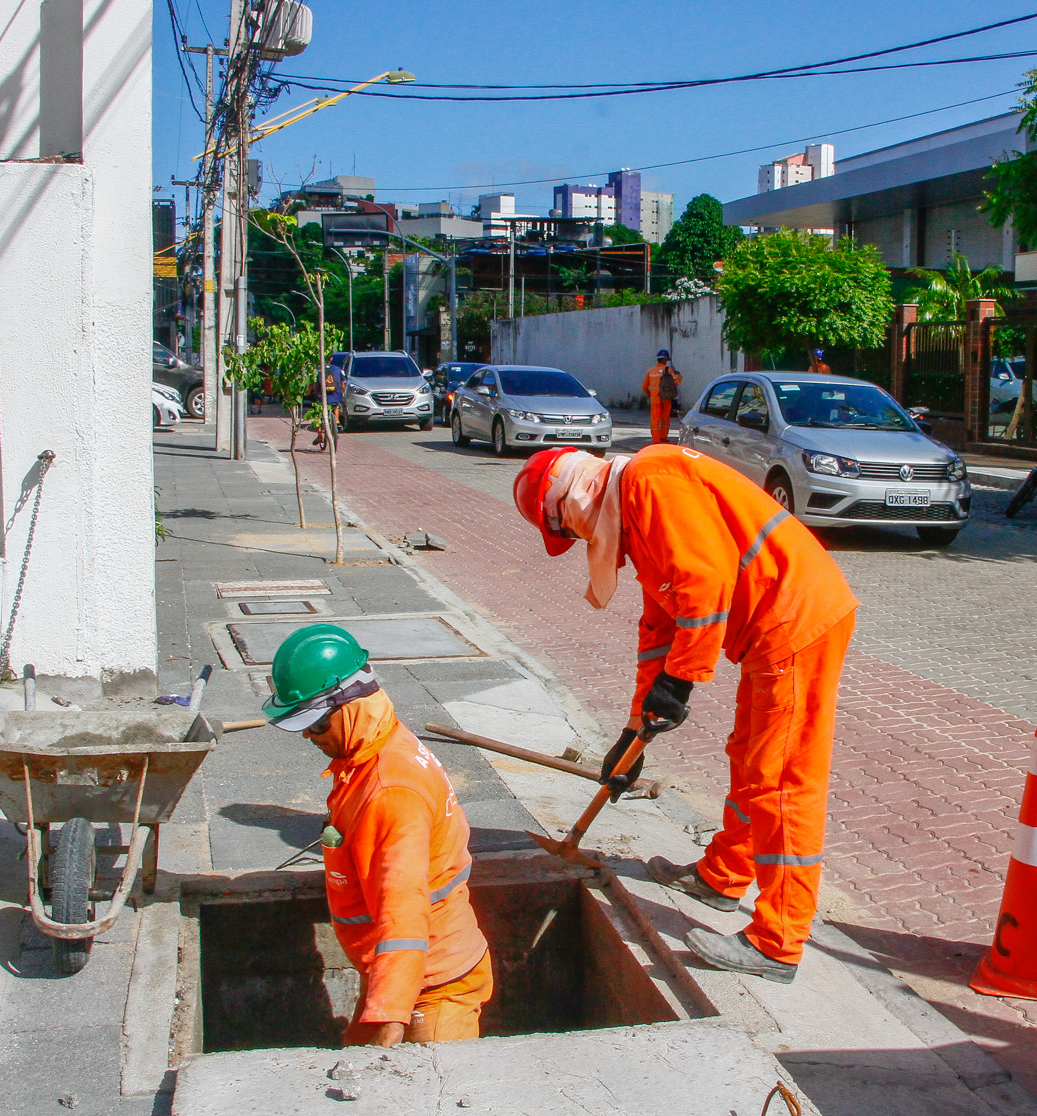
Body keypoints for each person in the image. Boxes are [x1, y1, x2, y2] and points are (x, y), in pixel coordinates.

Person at [511, 445, 859, 983]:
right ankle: (722, 877)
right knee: (748, 757)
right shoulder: (634, 509)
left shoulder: (649, 483)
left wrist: (682, 681)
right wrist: (632, 735)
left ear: (570, 501)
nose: (579, 539)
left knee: (782, 780)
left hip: (795, 620)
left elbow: (704, 582)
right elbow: (659, 627)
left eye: (567, 529)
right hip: (773, 625)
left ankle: (778, 941)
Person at [261, 624, 492, 1045]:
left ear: (348, 706)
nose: (310, 739)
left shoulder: (391, 793)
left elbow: (403, 915)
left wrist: (388, 1025)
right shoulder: (376, 743)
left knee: (430, 1092)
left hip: (431, 985)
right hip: (397, 974)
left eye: (314, 726)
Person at [642, 349, 682, 444]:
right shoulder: (668, 370)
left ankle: (656, 440)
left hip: (655, 399)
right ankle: (663, 438)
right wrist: (679, 376)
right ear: (665, 360)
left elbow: (644, 387)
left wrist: (650, 394)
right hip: (666, 399)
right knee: (665, 419)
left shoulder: (651, 371)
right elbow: (676, 383)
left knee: (655, 420)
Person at [313, 360, 345, 449]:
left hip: (322, 398)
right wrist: (343, 392)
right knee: (336, 405)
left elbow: (315, 385)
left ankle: (319, 435)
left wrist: (314, 393)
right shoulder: (337, 369)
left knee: (318, 414)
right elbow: (342, 383)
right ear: (331, 359)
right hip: (335, 396)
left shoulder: (317, 370)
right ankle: (337, 420)